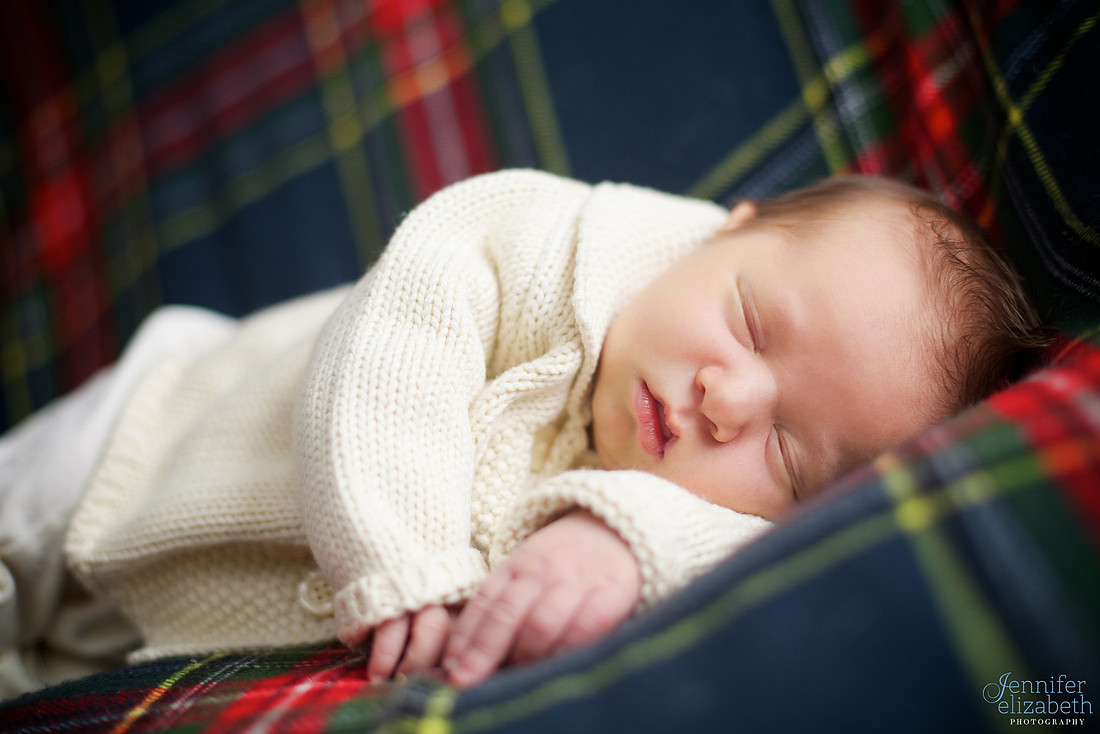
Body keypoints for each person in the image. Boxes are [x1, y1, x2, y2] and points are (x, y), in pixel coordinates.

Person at [0, 170, 1047, 698]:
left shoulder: (718, 505)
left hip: (161, 631)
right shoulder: (537, 243)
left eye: (785, 451)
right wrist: (400, 554)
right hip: (146, 435)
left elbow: (734, 553)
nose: (728, 400)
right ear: (726, 228)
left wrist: (618, 535)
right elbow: (391, 338)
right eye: (750, 323)